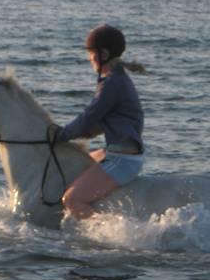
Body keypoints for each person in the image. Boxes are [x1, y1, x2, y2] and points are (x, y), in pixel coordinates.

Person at [53, 24, 145, 220]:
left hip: (123, 159)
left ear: (103, 54)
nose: (89, 58)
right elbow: (96, 125)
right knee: (75, 163)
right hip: (115, 151)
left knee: (71, 200)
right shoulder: (116, 79)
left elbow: (89, 117)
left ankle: (104, 235)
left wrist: (60, 135)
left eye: (91, 53)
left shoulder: (112, 83)